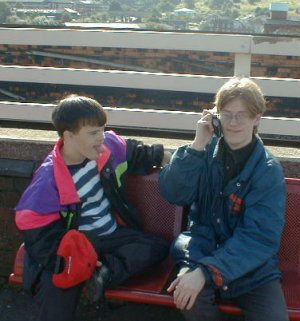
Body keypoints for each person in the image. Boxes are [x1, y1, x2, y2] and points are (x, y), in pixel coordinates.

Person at [15, 95, 170, 321]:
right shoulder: (49, 179)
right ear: (69, 136)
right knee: (59, 289)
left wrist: (162, 155)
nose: (101, 138)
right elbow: (36, 230)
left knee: (157, 246)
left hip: (110, 234)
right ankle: (85, 273)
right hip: (75, 245)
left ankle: (101, 273)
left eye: (102, 130)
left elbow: (133, 151)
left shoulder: (106, 148)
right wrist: (68, 261)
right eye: (92, 133)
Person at [159, 77, 288, 321]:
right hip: (200, 249)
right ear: (216, 117)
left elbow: (260, 238)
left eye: (242, 115)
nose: (233, 123)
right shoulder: (205, 152)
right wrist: (197, 144)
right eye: (226, 114)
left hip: (253, 267)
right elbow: (174, 193)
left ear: (257, 118)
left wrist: (207, 272)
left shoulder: (267, 170)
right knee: (188, 297)